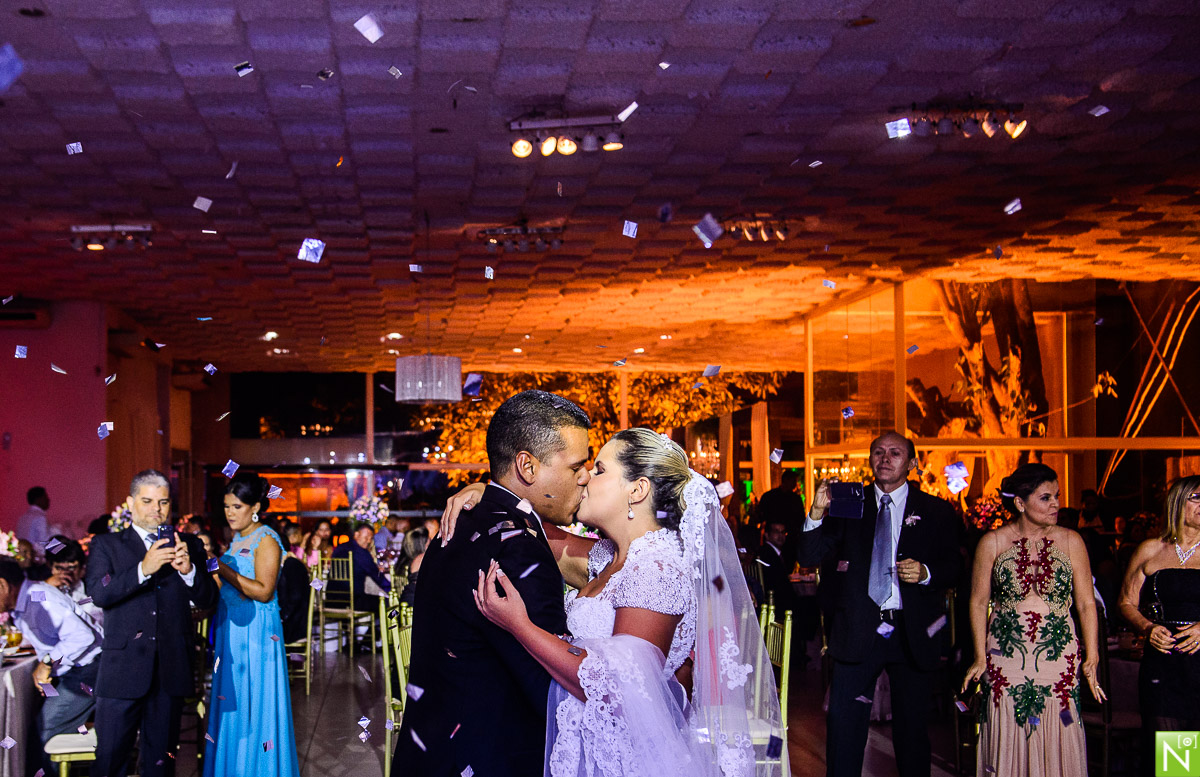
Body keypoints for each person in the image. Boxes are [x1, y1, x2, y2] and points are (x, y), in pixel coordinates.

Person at [464, 427, 787, 776]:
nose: (586, 477)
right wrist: (488, 492)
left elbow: (616, 686)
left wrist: (520, 626)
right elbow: (539, 531)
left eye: (600, 470)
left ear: (637, 489)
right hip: (593, 747)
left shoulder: (657, 570)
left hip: (629, 758)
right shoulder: (610, 559)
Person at [393, 390, 591, 777]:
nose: (584, 477)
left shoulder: (464, 521)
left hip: (434, 752)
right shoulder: (518, 549)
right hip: (487, 757)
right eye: (576, 467)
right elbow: (547, 688)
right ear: (527, 466)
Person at [798, 431, 963, 777]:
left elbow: (958, 566)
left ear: (912, 464)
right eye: (878, 452)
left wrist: (927, 572)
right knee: (844, 729)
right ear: (870, 459)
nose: (885, 458)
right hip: (858, 627)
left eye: (895, 453)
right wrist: (815, 512)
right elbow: (810, 555)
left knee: (912, 733)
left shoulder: (935, 510)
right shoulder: (849, 505)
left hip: (911, 631)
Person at [963, 463, 1105, 776]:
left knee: (1059, 725)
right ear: (1020, 502)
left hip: (1058, 658)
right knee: (1008, 725)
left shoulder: (1072, 541)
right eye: (1046, 498)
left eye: (1056, 496)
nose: (1056, 503)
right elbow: (977, 601)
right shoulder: (993, 542)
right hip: (1005, 657)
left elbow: (1085, 603)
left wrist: (1091, 656)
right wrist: (978, 656)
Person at [85, 469, 218, 777]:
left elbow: (209, 599)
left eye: (163, 502)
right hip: (122, 669)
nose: (156, 510)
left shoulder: (190, 545)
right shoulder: (107, 545)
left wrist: (188, 572)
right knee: (109, 760)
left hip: (170, 669)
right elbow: (100, 593)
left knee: (160, 763)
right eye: (147, 501)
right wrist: (143, 570)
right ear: (130, 503)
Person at [204, 474, 299, 776]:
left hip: (257, 633)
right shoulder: (237, 539)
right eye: (226, 506)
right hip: (231, 630)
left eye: (237, 506)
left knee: (254, 707)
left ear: (255, 506)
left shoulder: (266, 539)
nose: (230, 512)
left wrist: (221, 567)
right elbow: (228, 588)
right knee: (233, 706)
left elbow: (263, 590)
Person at [1117, 474, 1200, 754]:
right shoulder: (1151, 549)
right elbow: (1126, 602)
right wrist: (1147, 628)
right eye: (1197, 497)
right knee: (1175, 754)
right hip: (1164, 661)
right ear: (1178, 502)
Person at [0, 556, 103, 776]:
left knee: (45, 732)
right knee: (35, 721)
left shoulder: (39, 598)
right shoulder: (28, 598)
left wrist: (46, 663)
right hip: (76, 672)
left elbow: (81, 636)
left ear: (3, 585)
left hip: (90, 671)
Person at [329, 522, 391, 611]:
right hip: (353, 601)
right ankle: (389, 624)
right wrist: (392, 589)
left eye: (371, 539)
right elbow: (377, 576)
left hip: (332, 600)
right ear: (356, 534)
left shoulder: (339, 548)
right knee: (388, 603)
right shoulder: (361, 552)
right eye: (366, 537)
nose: (369, 541)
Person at [46, 536, 104, 627]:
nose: (65, 573)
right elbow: (30, 600)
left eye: (71, 568)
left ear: (82, 569)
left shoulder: (91, 590)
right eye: (59, 568)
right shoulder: (44, 585)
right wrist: (47, 587)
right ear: (51, 568)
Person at [399, 527, 428, 606]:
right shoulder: (419, 562)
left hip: (400, 605)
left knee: (393, 614)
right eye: (429, 542)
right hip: (410, 606)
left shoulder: (403, 562)